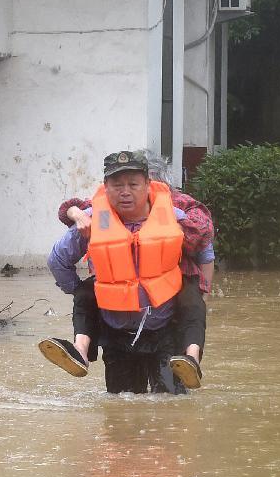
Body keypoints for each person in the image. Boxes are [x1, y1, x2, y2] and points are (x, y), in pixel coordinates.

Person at [39, 150, 208, 394]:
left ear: (148, 184)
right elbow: (58, 261)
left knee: (171, 408)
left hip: (165, 329)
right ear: (105, 187)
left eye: (133, 184)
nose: (125, 191)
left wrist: (203, 287)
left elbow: (204, 246)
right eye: (117, 185)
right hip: (116, 333)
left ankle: (191, 358)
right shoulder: (90, 220)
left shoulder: (174, 215)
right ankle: (80, 351)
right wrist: (80, 291)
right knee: (122, 411)